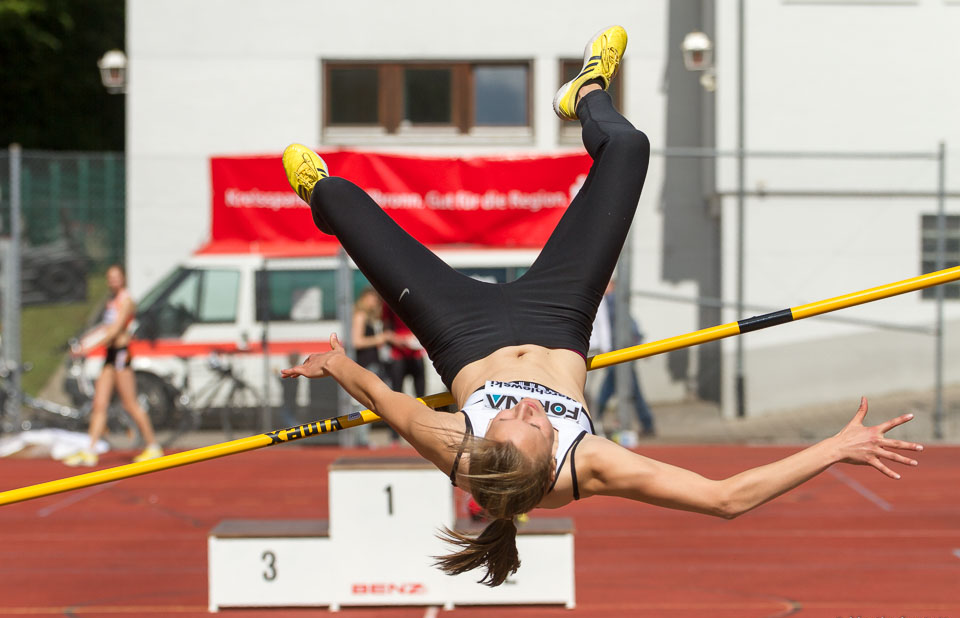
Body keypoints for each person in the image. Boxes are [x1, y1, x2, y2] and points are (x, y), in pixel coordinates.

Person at [279, 26, 922, 587]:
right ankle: (587, 92)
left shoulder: (459, 448)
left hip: (460, 331)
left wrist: (335, 364)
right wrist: (833, 449)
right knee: (631, 149)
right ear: (547, 455)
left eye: (509, 414)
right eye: (535, 421)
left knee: (340, 200)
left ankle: (319, 194)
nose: (526, 403)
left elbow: (385, 398)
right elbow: (725, 498)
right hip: (560, 317)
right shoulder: (587, 464)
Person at [64, 264, 163, 466]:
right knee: (99, 403)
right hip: (110, 355)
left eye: (116, 277)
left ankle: (153, 445)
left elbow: (114, 330)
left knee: (130, 403)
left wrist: (87, 349)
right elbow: (103, 328)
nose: (112, 281)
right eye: (109, 277)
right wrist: (83, 341)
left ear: (123, 278)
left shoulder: (126, 301)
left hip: (121, 355)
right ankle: (90, 449)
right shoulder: (111, 302)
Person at [590, 279, 655, 437]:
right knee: (628, 390)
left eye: (607, 285)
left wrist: (637, 344)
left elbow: (628, 325)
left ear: (611, 286)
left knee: (612, 391)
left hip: (619, 354)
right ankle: (647, 423)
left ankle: (594, 420)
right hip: (618, 354)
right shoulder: (612, 302)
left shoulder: (613, 302)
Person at [349, 288, 392, 446]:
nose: (376, 302)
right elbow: (356, 341)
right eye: (373, 299)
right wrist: (379, 339)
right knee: (364, 403)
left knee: (376, 399)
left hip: (372, 364)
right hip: (365, 364)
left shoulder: (369, 317)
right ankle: (361, 440)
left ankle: (362, 439)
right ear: (365, 298)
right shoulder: (360, 315)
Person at [381, 303, 425, 444]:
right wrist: (396, 339)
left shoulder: (415, 298)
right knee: (396, 394)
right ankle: (394, 435)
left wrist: (417, 338)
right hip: (398, 354)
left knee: (422, 396)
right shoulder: (388, 302)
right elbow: (386, 329)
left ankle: (423, 432)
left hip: (416, 352)